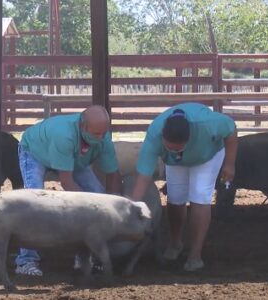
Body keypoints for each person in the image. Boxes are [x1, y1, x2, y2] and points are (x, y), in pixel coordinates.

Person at [15, 105, 122, 276]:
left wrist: (115, 204)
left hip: (73, 157)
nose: (100, 137)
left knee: (98, 193)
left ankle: (85, 255)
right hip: (35, 151)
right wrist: (93, 207)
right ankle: (25, 261)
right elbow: (67, 182)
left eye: (103, 133)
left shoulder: (103, 138)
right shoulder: (64, 135)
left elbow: (113, 174)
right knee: (34, 202)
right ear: (82, 126)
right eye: (96, 134)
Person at [130, 102, 237, 271]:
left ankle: (195, 254)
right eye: (169, 146)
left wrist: (229, 164)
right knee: (175, 197)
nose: (174, 148)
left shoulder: (208, 124)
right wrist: (131, 207)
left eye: (178, 147)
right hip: (175, 161)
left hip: (207, 155)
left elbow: (231, 131)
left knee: (200, 196)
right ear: (163, 138)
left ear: (189, 139)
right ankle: (175, 243)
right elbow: (143, 176)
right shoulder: (154, 135)